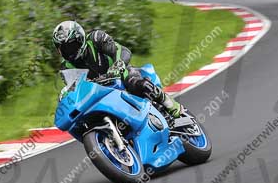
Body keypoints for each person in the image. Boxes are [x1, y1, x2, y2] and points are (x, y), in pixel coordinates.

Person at [52, 21, 183, 118]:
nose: (70, 52)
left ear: (80, 39)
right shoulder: (66, 68)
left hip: (119, 75)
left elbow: (121, 50)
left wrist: (118, 65)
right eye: (64, 49)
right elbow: (75, 90)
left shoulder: (95, 38)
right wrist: (66, 95)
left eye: (72, 46)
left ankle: (169, 104)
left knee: (135, 82)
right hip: (98, 93)